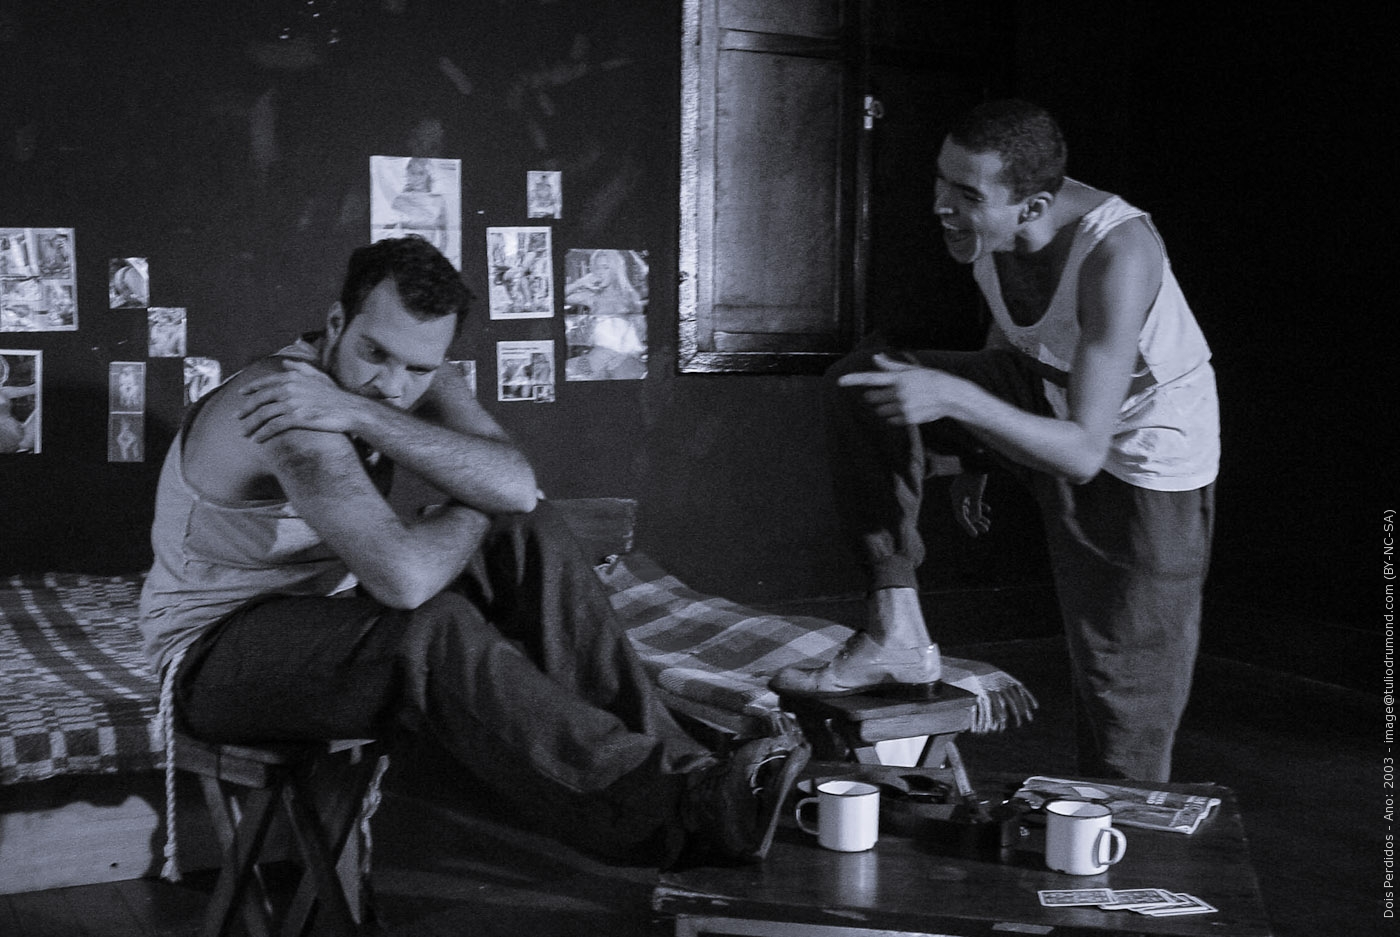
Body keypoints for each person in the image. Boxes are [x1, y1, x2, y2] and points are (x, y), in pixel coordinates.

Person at [138, 235, 808, 867]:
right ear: (336, 323)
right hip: (211, 659)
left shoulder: (404, 375)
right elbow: (403, 581)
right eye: (374, 354)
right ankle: (668, 811)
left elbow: (517, 490)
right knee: (431, 629)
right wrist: (471, 503)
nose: (392, 383)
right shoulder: (279, 404)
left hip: (319, 619)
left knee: (527, 532)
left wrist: (364, 415)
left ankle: (695, 775)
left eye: (417, 368)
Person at [771, 100, 1219, 783]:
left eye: (967, 194)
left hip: (1141, 459)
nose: (941, 205)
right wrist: (977, 450)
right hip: (1045, 396)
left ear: (1033, 207)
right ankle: (897, 630)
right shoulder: (991, 224)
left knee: (1122, 698)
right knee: (863, 384)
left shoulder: (1117, 253)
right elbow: (1015, 333)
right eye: (941, 180)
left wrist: (959, 401)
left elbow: (1083, 452)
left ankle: (1118, 836)